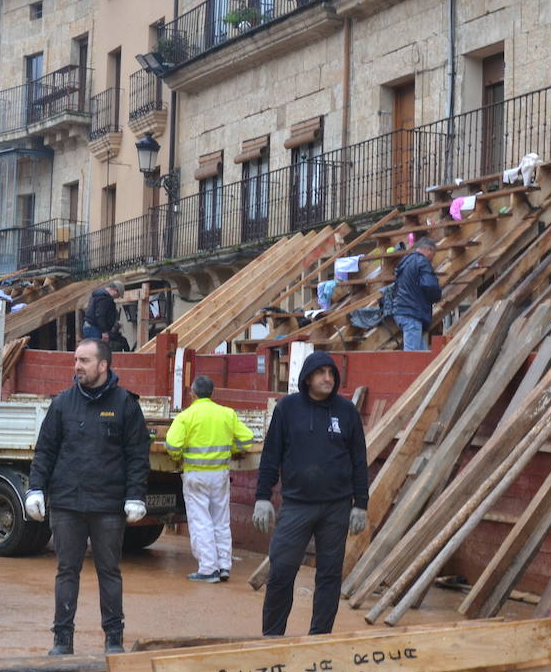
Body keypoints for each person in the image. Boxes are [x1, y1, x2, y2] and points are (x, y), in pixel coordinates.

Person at [25, 338, 150, 655]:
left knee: (109, 571)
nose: (77, 366)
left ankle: (113, 639)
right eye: (76, 360)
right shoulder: (63, 403)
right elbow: (46, 451)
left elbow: (137, 456)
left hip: (108, 507)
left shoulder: (125, 405)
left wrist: (135, 496)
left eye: (84, 360)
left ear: (103, 365)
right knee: (67, 571)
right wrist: (36, 487)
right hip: (67, 504)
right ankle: (62, 641)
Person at [252, 351, 369, 636]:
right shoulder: (287, 409)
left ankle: (319, 640)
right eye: (321, 373)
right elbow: (271, 456)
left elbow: (358, 459)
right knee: (281, 573)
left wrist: (360, 504)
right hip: (296, 506)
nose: (328, 378)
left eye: (331, 373)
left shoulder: (346, 411)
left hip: (336, 508)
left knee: (329, 577)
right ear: (307, 377)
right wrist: (262, 497)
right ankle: (272, 639)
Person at [166, 375, 255, 583]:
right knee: (221, 521)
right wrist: (231, 449)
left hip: (196, 475)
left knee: (201, 521)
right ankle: (224, 566)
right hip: (220, 474)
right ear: (212, 393)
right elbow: (248, 439)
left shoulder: (186, 416)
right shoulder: (227, 414)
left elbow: (172, 446)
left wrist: (179, 457)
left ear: (192, 393)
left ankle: (208, 569)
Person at [390, 236, 442, 351]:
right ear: (429, 250)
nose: (433, 258)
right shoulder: (422, 261)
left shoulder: (405, 261)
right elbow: (430, 285)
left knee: (422, 355)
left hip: (401, 310)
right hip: (412, 312)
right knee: (412, 356)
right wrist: (437, 296)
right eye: (434, 254)